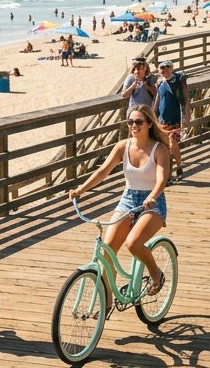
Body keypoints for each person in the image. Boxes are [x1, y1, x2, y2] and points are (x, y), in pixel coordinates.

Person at [70, 104, 171, 297]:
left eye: (139, 122)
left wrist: (152, 197)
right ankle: (108, 298)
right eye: (130, 122)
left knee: (133, 244)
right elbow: (103, 172)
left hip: (153, 203)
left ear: (149, 123)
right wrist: (81, 189)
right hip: (128, 199)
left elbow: (161, 180)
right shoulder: (123, 146)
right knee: (107, 252)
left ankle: (156, 273)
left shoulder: (160, 150)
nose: (134, 125)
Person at [154, 60, 190, 181]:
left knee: (172, 142)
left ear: (172, 68)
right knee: (165, 147)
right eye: (162, 68)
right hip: (163, 120)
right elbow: (157, 102)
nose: (165, 70)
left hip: (176, 119)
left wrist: (187, 115)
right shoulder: (160, 83)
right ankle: (168, 174)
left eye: (167, 67)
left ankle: (178, 165)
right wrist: (153, 117)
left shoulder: (179, 79)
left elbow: (186, 99)